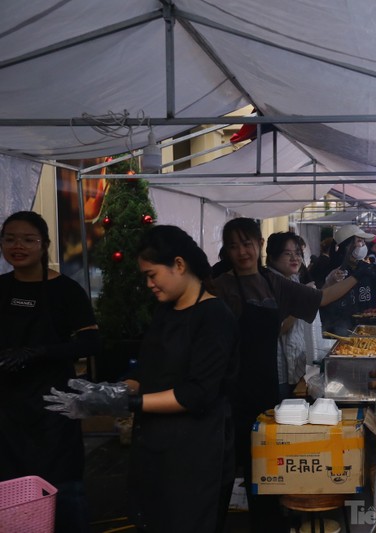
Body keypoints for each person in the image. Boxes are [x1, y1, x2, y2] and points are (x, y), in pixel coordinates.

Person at [45, 225, 239, 532]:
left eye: (152, 275)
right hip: (154, 443)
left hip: (196, 451)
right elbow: (147, 371)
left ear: (179, 264)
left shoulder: (215, 316)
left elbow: (197, 394)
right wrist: (110, 392)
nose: (149, 284)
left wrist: (128, 402)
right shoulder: (166, 309)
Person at [212, 218, 365, 532]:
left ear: (258, 244)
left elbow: (320, 298)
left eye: (247, 243)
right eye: (234, 245)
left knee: (263, 466)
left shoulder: (272, 281)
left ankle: (267, 524)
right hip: (228, 390)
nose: (242, 251)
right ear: (227, 250)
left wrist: (359, 277)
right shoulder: (220, 285)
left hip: (264, 385)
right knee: (224, 471)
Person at [0, 211, 100, 533]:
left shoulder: (66, 291)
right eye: (10, 238)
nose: (18, 246)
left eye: (29, 240)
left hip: (53, 409)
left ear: (44, 245)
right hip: (6, 410)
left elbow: (91, 342)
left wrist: (40, 352)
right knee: (10, 489)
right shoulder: (1, 288)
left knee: (62, 488)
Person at [265, 232, 314, 400]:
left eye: (298, 253)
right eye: (288, 253)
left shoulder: (293, 279)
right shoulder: (270, 283)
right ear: (272, 257)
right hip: (279, 369)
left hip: (296, 362)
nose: (295, 258)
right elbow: (276, 329)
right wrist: (300, 303)